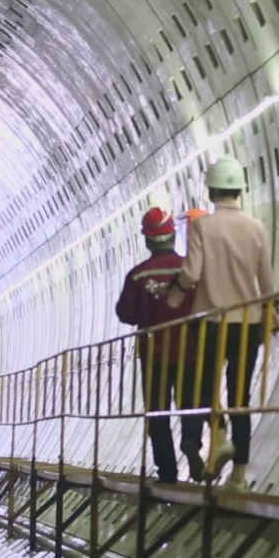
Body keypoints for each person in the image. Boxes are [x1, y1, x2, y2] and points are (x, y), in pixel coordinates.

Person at [167, 157, 275, 491]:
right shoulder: (256, 228)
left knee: (204, 389)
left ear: (211, 191)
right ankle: (239, 476)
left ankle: (218, 437)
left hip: (211, 322)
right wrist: (271, 309)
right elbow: (266, 281)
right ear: (240, 190)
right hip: (248, 323)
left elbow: (191, 274)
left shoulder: (203, 227)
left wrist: (174, 297)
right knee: (240, 395)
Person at [115, 207, 200, 484]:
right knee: (191, 402)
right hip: (190, 350)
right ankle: (191, 439)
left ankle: (167, 472)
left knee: (157, 411)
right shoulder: (189, 269)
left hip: (154, 354)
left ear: (147, 240)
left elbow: (125, 313)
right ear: (173, 235)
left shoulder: (138, 275)